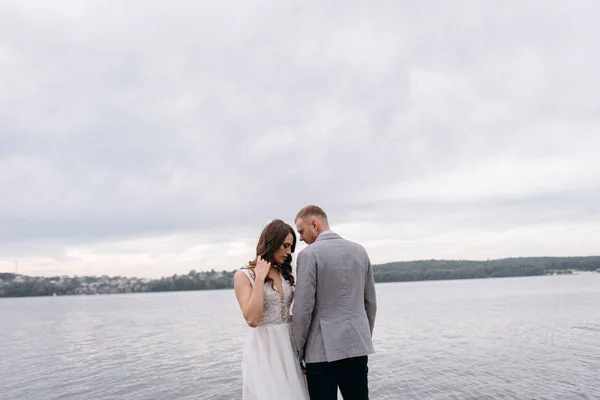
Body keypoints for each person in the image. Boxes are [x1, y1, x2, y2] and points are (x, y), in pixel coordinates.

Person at [292, 205, 377, 400]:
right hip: (356, 346)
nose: (301, 238)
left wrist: (298, 352)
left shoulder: (309, 255)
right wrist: (362, 337)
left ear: (314, 224)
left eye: (301, 232)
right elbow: (370, 303)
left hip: (320, 353)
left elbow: (303, 309)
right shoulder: (360, 251)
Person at [233, 219, 309, 400]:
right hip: (264, 349)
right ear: (272, 243)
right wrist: (259, 278)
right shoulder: (244, 275)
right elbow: (252, 320)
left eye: (290, 247)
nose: (288, 252)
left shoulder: (284, 273)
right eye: (285, 246)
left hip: (288, 344)